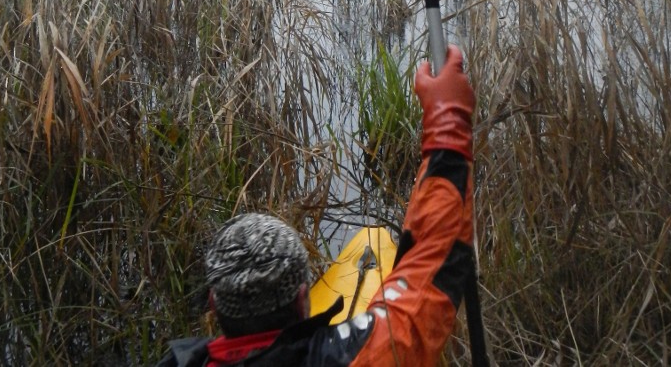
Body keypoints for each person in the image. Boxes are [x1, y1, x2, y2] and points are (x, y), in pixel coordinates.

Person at [156, 46, 476, 366]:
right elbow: (432, 263)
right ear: (302, 298)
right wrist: (447, 117)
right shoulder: (353, 358)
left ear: (214, 304)